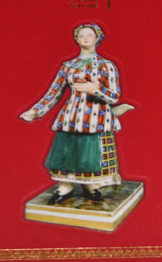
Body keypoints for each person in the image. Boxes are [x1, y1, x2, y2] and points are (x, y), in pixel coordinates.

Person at [19, 23, 124, 204]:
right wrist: (36, 111)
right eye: (81, 35)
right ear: (76, 39)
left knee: (91, 153)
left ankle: (91, 186)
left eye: (89, 35)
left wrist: (95, 90)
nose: (85, 38)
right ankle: (65, 186)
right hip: (71, 117)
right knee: (66, 151)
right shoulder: (68, 66)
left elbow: (114, 96)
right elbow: (54, 92)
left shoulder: (107, 66)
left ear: (97, 39)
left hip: (96, 118)